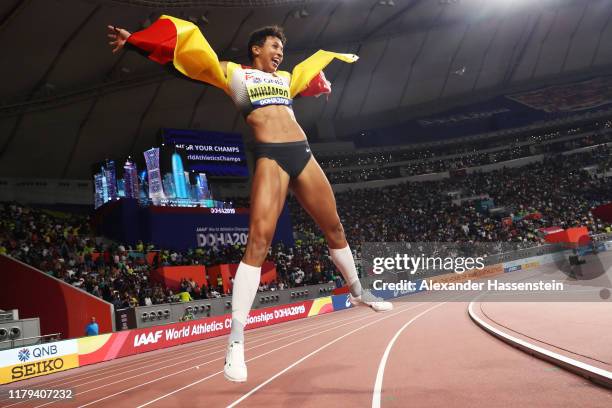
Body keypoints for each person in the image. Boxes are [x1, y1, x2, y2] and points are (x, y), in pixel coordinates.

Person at [107, 16, 392, 383]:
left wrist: (318, 85)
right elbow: (188, 63)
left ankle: (358, 290)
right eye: (275, 47)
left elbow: (305, 79)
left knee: (334, 226)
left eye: (283, 50)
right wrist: (136, 44)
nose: (280, 53)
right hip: (270, 155)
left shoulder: (284, 79)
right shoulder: (235, 74)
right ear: (257, 48)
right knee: (259, 241)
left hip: (302, 151)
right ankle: (236, 342)